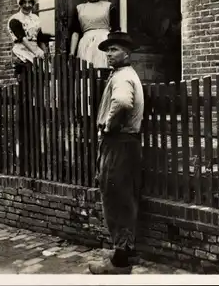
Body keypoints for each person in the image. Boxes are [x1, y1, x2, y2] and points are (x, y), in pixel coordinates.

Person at [89, 32, 144, 275]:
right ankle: (125, 251)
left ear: (127, 52)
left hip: (118, 143)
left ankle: (119, 262)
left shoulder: (122, 77)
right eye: (107, 50)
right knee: (125, 197)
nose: (109, 54)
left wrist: (109, 125)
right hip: (128, 143)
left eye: (114, 49)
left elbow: (122, 102)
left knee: (114, 198)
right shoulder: (126, 74)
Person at [69, 0, 120, 68]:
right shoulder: (79, 8)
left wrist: (116, 49)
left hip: (104, 42)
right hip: (86, 44)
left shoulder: (108, 6)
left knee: (103, 69)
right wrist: (72, 53)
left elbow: (116, 30)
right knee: (87, 71)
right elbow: (75, 32)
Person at [7, 0, 51, 65]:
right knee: (30, 69)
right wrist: (37, 52)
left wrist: (45, 53)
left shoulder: (35, 19)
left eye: (30, 2)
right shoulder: (15, 19)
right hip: (22, 50)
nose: (27, 5)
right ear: (20, 4)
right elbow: (23, 39)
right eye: (24, 2)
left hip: (35, 49)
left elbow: (40, 38)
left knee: (46, 69)